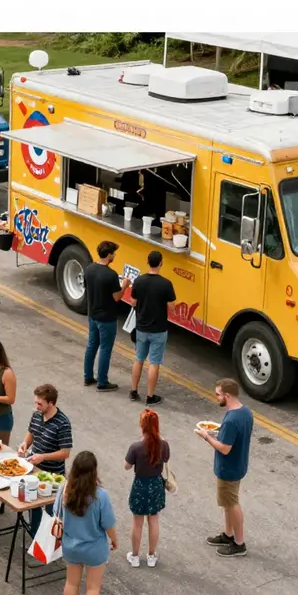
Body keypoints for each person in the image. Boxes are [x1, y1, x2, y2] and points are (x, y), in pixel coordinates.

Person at [197, 378, 254, 558]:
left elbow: (224, 448)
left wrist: (206, 436)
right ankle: (228, 535)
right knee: (228, 504)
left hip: (228, 469)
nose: (216, 397)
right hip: (239, 464)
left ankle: (239, 543)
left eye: (218, 394)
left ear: (227, 395)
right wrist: (219, 433)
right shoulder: (245, 412)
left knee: (232, 504)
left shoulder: (231, 420)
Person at [57, 451, 117, 595]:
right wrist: (114, 540)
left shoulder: (64, 489)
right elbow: (108, 524)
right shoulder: (101, 496)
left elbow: (57, 514)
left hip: (71, 546)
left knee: (71, 583)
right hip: (94, 548)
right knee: (93, 588)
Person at [18, 383, 73, 536]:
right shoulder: (36, 415)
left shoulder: (62, 423)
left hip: (53, 476)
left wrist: (43, 457)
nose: (36, 406)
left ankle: (49, 540)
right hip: (35, 470)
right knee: (33, 505)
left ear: (51, 403)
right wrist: (25, 444)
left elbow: (65, 453)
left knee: (51, 512)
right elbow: (31, 433)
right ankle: (35, 535)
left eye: (40, 404)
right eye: (35, 402)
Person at [130, 251, 177, 406]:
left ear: (148, 262)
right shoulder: (166, 284)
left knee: (139, 359)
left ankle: (134, 391)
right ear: (161, 263)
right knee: (154, 363)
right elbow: (172, 306)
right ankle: (150, 396)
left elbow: (133, 302)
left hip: (141, 328)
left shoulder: (139, 281)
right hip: (158, 329)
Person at [125, 409, 170, 568]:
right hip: (156, 485)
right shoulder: (163, 445)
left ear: (142, 426)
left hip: (140, 485)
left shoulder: (136, 447)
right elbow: (166, 459)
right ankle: (151, 555)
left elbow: (127, 466)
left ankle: (135, 556)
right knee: (153, 520)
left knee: (137, 523)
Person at [83, 241, 130, 392]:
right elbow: (117, 297)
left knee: (92, 345)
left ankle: (88, 376)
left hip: (93, 314)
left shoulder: (89, 269)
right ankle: (102, 382)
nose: (114, 255)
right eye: (113, 253)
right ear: (109, 254)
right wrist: (125, 285)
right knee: (105, 349)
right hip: (107, 318)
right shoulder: (111, 275)